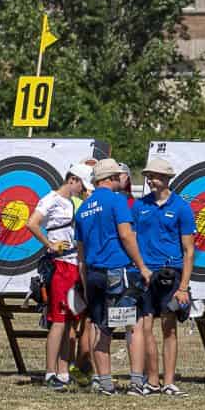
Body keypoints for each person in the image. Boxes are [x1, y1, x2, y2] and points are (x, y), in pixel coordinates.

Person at [72, 159, 153, 396]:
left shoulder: (84, 208)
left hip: (94, 273)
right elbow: (126, 236)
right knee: (133, 325)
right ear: (110, 178)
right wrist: (142, 266)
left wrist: (85, 284)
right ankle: (137, 383)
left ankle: (105, 384)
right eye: (119, 176)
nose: (122, 179)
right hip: (118, 271)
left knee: (101, 327)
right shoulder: (117, 201)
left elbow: (80, 252)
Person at [130, 156, 197, 396]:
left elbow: (189, 251)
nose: (151, 180)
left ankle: (169, 381)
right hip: (146, 272)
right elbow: (132, 239)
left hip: (172, 273)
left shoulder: (181, 207)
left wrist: (184, 287)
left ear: (168, 178)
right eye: (149, 176)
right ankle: (152, 380)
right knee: (146, 327)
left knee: (169, 327)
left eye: (156, 176)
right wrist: (137, 268)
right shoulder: (139, 206)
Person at [24, 163, 91, 392]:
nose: (83, 189)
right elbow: (32, 223)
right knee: (58, 320)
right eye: (82, 184)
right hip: (60, 265)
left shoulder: (75, 202)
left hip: (73, 264)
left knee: (71, 320)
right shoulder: (51, 198)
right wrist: (49, 245)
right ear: (72, 179)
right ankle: (50, 371)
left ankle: (63, 372)